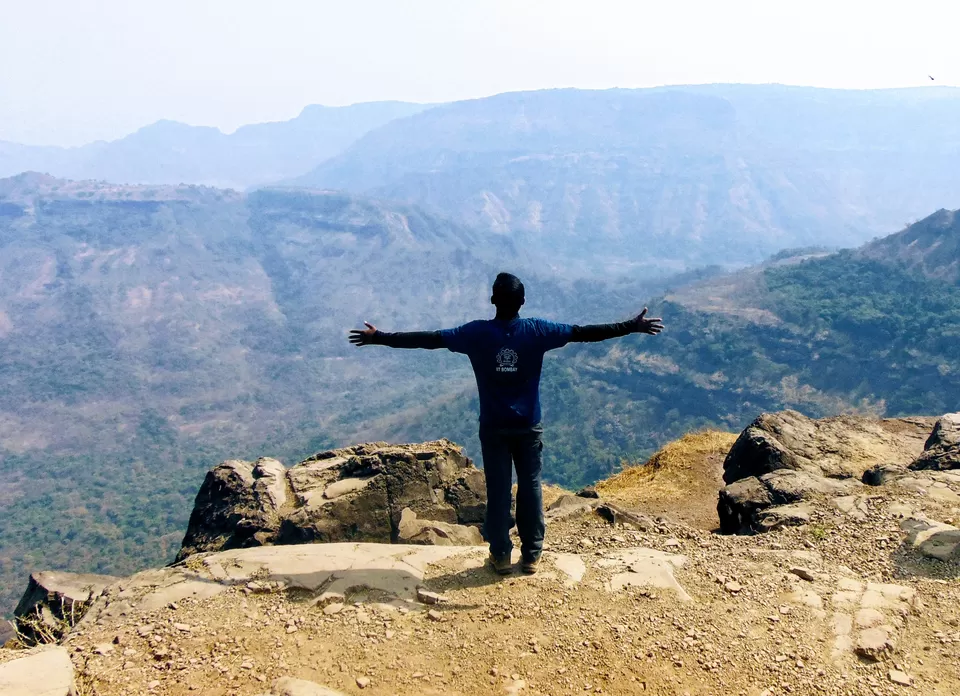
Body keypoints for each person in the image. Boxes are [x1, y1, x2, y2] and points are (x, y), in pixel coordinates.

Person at [349, 272, 664, 575]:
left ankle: (500, 555)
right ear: (523, 301)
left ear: (492, 300)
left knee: (498, 490)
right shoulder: (538, 330)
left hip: (494, 427)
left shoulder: (475, 333)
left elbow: (429, 340)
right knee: (530, 486)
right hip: (528, 426)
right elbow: (584, 332)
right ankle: (532, 555)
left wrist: (381, 338)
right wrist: (630, 326)